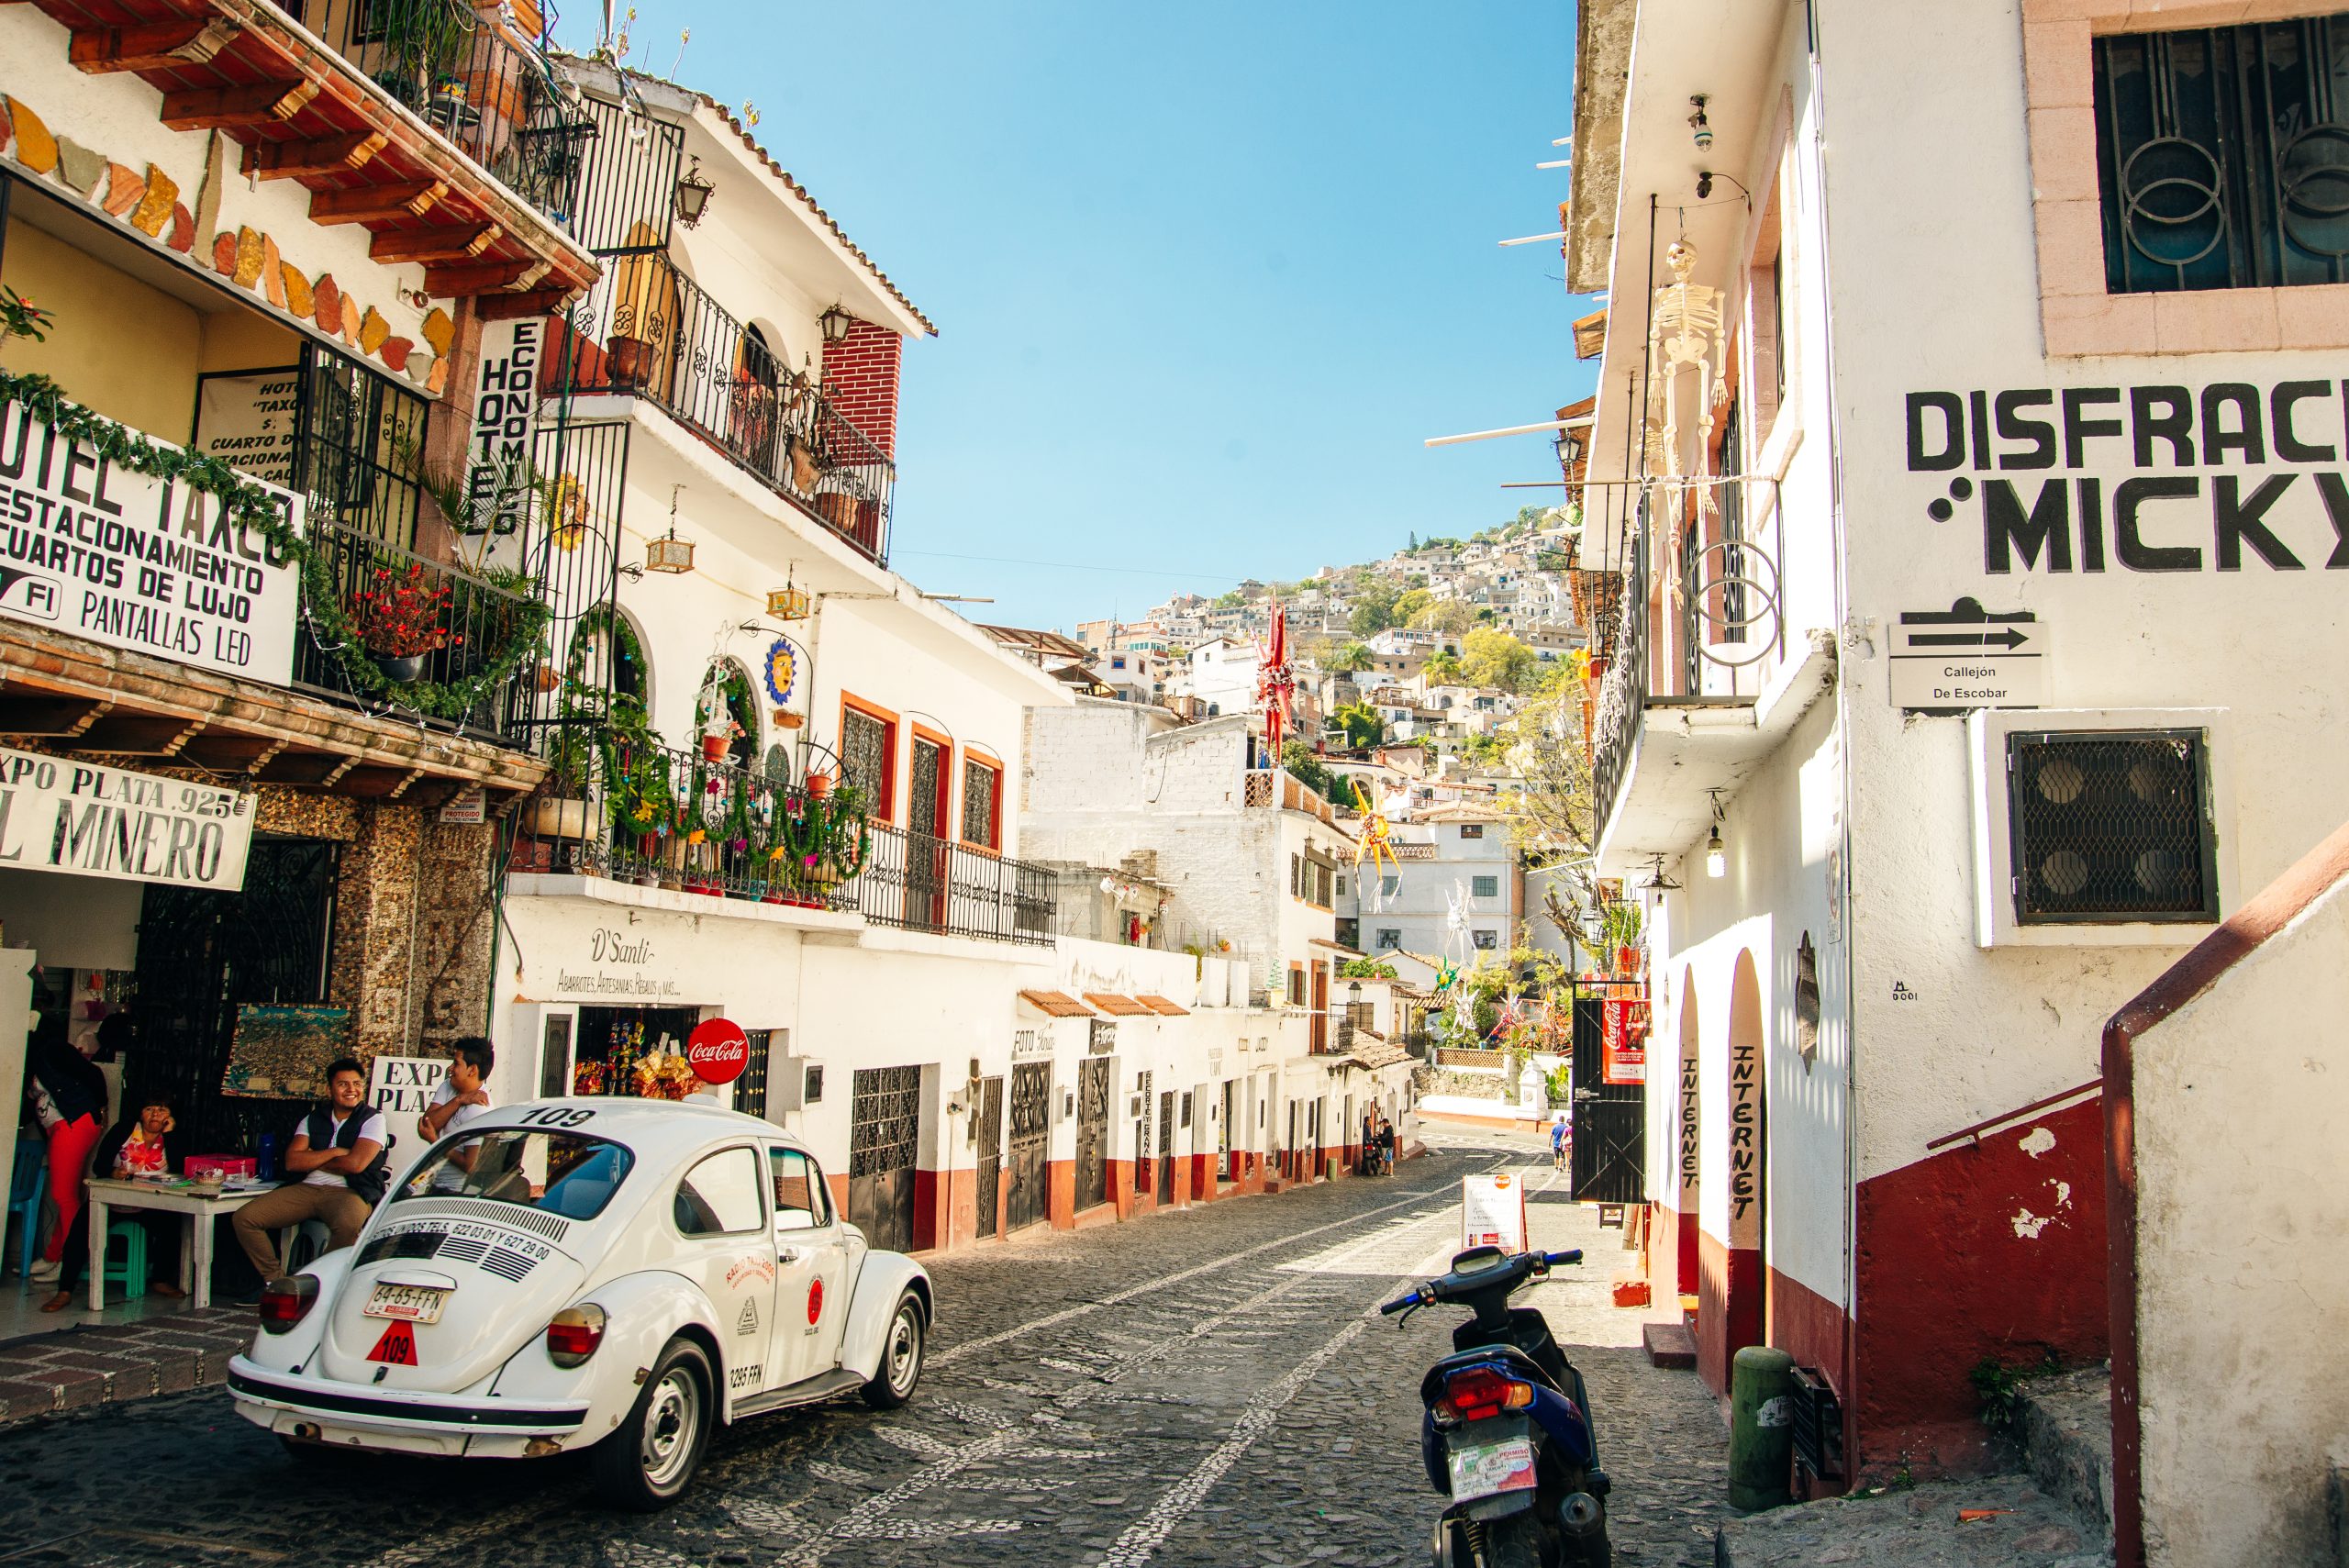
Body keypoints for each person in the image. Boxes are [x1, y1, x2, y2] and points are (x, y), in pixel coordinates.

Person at [229, 1059, 385, 1295]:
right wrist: (335, 1153)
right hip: (307, 1188)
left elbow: (355, 1165)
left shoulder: (373, 1119)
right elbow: (293, 1162)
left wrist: (314, 1158)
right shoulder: (312, 1119)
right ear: (329, 1089)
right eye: (343, 1084)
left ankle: (319, 1285)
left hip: (351, 1191)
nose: (351, 1089)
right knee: (245, 1218)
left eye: (356, 1083)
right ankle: (276, 1283)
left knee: (348, 1225)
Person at [41, 1090, 185, 1312]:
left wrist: (172, 1134)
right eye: (149, 1109)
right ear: (141, 1114)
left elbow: (181, 1172)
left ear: (170, 1116)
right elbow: (99, 1166)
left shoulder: (172, 1138)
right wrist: (112, 1171)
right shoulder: (123, 1130)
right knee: (80, 1229)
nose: (155, 1115)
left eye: (162, 1110)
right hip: (113, 1200)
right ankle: (65, 1290)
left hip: (150, 1204)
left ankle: (160, 1280)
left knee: (172, 1224)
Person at [23, 1016, 106, 1286]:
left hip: (74, 1123)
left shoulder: (52, 1049)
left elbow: (93, 1074)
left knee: (63, 1195)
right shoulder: (33, 1056)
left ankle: (67, 1262)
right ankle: (53, 1255)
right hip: (63, 1127)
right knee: (65, 1195)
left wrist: (100, 1107)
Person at [416, 1038, 494, 1192]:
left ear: (472, 1070)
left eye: (456, 1064)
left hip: (454, 1192)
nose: (450, 1068)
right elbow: (426, 1123)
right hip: (433, 1181)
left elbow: (470, 1165)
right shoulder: (449, 1085)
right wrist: (459, 1100)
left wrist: (436, 1142)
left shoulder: (480, 1109)